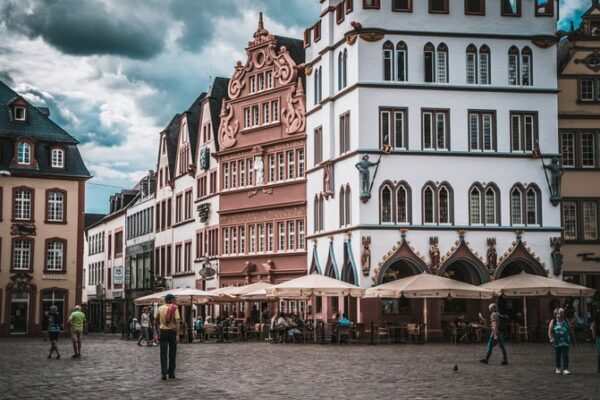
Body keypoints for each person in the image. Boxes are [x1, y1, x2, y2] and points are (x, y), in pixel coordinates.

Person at [156, 294, 180, 380]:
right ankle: (171, 374)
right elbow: (177, 322)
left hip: (163, 332)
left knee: (163, 354)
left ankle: (164, 373)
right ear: (170, 300)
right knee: (172, 354)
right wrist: (177, 335)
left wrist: (159, 330)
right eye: (174, 299)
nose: (175, 301)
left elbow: (156, 320)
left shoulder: (160, 308)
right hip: (172, 332)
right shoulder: (175, 308)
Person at [548, 308, 572, 375]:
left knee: (565, 355)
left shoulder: (566, 321)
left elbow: (569, 329)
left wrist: (571, 338)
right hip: (557, 342)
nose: (562, 314)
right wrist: (551, 338)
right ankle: (558, 368)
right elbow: (550, 331)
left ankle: (565, 369)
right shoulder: (553, 321)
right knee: (558, 355)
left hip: (565, 341)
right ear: (556, 314)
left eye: (563, 312)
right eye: (561, 313)